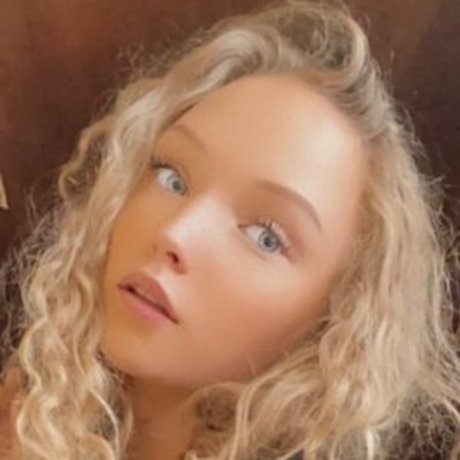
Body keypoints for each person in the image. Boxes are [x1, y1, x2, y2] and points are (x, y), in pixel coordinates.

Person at [1, 0, 460, 458]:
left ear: (336, 324)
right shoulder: (28, 410)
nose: (175, 233)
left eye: (265, 236)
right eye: (171, 177)